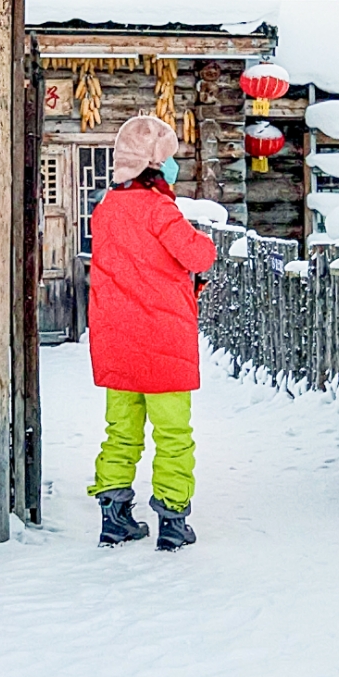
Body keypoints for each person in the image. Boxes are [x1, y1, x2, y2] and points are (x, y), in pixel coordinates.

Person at [86, 114, 216, 551]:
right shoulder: (160, 210)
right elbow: (198, 255)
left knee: (120, 431)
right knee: (173, 434)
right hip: (162, 342)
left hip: (117, 340)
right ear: (154, 165)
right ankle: (173, 520)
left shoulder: (104, 210)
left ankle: (114, 517)